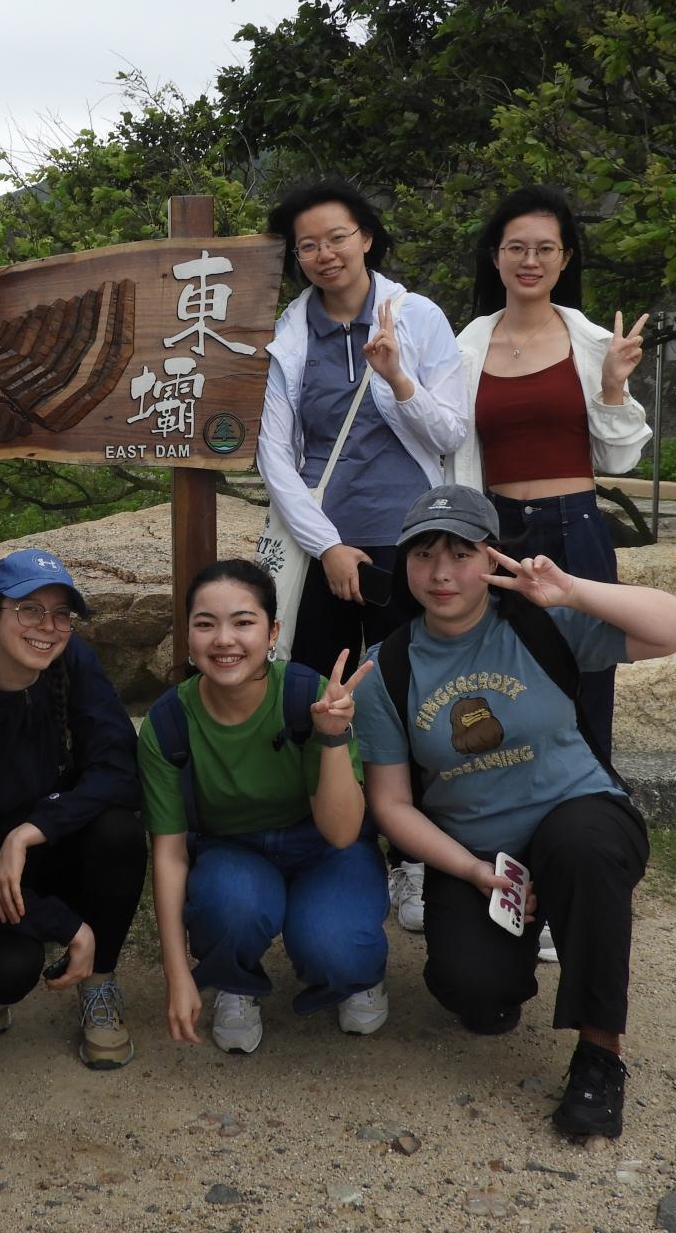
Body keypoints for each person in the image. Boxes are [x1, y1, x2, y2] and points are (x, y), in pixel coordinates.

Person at [356, 485, 676, 1141]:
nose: (443, 573)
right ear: (405, 566)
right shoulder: (388, 668)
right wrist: (473, 872)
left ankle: (599, 1055)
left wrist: (572, 590)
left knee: (581, 850)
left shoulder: (542, 623)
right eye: (424, 555)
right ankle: (506, 970)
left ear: (493, 557)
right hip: (480, 855)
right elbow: (391, 804)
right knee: (474, 993)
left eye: (461, 552)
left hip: (581, 815)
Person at [259, 179, 468, 938]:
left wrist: (396, 377)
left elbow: (449, 433)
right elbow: (274, 457)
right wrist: (329, 547)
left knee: (412, 701)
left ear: (367, 238)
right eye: (307, 244)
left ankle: (415, 862)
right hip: (328, 551)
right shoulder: (290, 334)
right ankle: (344, 849)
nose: (323, 254)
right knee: (326, 700)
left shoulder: (417, 318)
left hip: (415, 549)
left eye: (337, 237)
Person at [0, 548, 146, 1069]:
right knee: (8, 970)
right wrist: (66, 925)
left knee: (118, 833)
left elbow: (118, 767)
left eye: (62, 613)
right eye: (28, 610)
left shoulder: (71, 662)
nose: (48, 627)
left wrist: (32, 831)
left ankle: (99, 983)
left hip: (45, 845)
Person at [139, 560, 388, 1055]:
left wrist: (332, 738)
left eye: (243, 622)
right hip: (233, 851)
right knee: (229, 902)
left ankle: (355, 976)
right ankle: (236, 981)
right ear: (187, 636)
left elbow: (341, 833)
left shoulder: (307, 695)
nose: (224, 640)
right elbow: (168, 854)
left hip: (323, 846)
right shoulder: (168, 723)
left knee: (334, 945)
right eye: (205, 624)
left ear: (272, 632)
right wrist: (177, 974)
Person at [448, 184, 650, 761]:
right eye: (516, 248)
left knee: (587, 673)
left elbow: (619, 460)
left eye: (544, 248)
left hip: (575, 526)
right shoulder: (466, 347)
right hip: (496, 532)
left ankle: (595, 808)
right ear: (496, 256)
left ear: (564, 259)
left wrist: (613, 385)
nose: (530, 261)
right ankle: (511, 813)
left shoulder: (590, 343)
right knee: (501, 675)